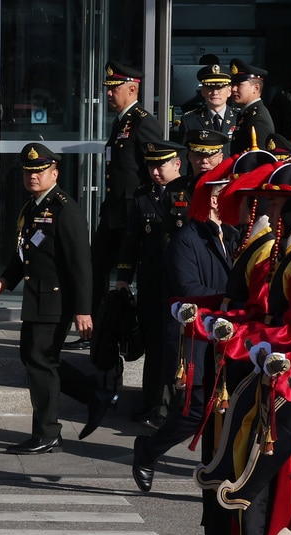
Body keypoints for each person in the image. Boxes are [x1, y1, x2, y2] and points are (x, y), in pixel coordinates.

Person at [0, 144, 110, 453]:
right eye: (29, 172)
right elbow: (25, 251)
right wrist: (5, 279)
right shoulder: (33, 206)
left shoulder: (64, 208)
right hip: (37, 296)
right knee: (37, 357)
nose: (33, 177)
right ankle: (94, 394)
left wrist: (84, 309)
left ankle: (47, 431)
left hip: (56, 298)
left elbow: (81, 264)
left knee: (39, 359)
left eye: (39, 171)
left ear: (54, 172)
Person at [134, 156, 239, 492]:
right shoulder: (186, 239)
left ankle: (218, 469)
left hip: (227, 336)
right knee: (195, 412)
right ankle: (148, 450)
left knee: (228, 409)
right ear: (212, 198)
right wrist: (231, 301)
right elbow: (189, 290)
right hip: (195, 337)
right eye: (228, 194)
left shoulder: (232, 234)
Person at [117, 140, 193, 430]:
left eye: (161, 165)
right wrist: (124, 276)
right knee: (153, 342)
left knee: (174, 344)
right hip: (151, 280)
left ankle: (169, 408)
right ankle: (151, 402)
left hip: (178, 281)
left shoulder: (189, 191)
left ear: (177, 163)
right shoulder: (142, 195)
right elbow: (132, 238)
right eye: (151, 165)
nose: (156, 172)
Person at [85, 60, 161, 350]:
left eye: (114, 89)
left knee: (130, 273)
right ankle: (94, 329)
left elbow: (155, 169)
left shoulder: (143, 122)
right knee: (97, 266)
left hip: (133, 214)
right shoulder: (121, 121)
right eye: (107, 89)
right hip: (115, 211)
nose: (108, 94)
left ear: (132, 88)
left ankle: (132, 329)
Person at [174, 62, 240, 155]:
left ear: (229, 91)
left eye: (220, 88)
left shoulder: (239, 118)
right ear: (202, 91)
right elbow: (184, 156)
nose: (215, 92)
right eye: (210, 88)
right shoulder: (189, 121)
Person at [228, 60, 275, 155]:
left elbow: (258, 159)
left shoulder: (257, 118)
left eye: (239, 85)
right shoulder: (247, 113)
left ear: (256, 88)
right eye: (233, 84)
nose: (233, 89)